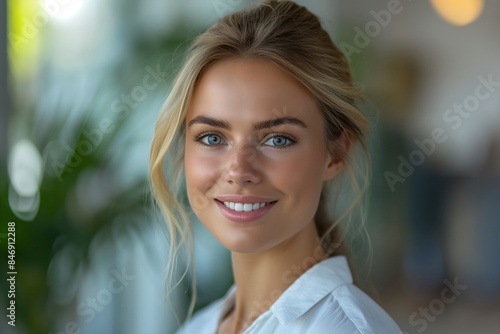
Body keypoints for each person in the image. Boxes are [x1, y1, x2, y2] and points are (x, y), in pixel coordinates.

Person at [149, 1, 401, 333]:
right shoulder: (198, 327)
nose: (238, 170)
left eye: (277, 139)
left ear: (336, 152)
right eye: (211, 137)